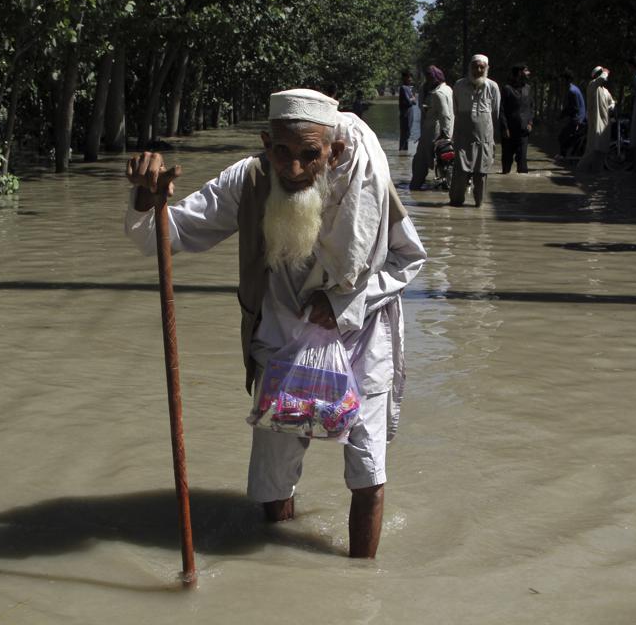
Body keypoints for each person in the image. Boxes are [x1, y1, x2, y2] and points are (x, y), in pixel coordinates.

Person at [124, 88, 427, 558]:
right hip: (280, 344)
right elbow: (167, 235)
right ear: (267, 143)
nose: (294, 168)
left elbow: (409, 259)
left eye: (310, 155)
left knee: (367, 474)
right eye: (281, 151)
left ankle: (363, 583)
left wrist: (346, 299)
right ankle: (273, 559)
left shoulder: (367, 183)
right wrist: (148, 201)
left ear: (335, 151)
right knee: (272, 478)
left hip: (360, 343)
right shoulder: (247, 181)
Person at [451, 54, 500, 206]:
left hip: (484, 138)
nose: (478, 70)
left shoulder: (492, 87)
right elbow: (455, 110)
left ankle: (479, 205)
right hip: (463, 137)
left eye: (481, 67)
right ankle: (456, 203)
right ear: (470, 68)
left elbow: (495, 113)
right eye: (475, 66)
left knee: (481, 173)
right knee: (460, 172)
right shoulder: (459, 85)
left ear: (486, 69)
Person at [410, 65, 454, 190]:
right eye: (427, 76)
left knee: (420, 161)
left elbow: (445, 115)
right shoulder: (447, 89)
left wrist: (445, 134)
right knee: (444, 163)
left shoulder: (438, 93)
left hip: (434, 133)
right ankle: (449, 188)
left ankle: (414, 187)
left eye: (431, 76)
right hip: (442, 132)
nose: (429, 79)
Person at [578, 66, 615, 173]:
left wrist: (611, 107)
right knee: (592, 150)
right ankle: (579, 171)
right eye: (602, 73)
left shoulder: (605, 91)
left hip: (605, 125)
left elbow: (612, 101)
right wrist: (605, 72)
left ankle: (596, 173)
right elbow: (600, 79)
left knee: (602, 150)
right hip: (596, 123)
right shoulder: (592, 86)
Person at [499, 63, 533, 173]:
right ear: (519, 72)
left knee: (523, 166)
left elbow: (531, 107)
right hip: (509, 132)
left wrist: (530, 123)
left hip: (523, 132)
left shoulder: (528, 88)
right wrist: (505, 128)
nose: (529, 73)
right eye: (526, 71)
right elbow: (502, 110)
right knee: (506, 166)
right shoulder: (507, 89)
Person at [557, 67, 586, 159]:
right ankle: (565, 154)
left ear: (567, 80)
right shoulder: (574, 89)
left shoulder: (572, 91)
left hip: (577, 119)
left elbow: (574, 108)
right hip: (577, 118)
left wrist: (562, 116)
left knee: (562, 136)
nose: (561, 82)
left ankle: (563, 155)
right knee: (565, 136)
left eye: (562, 80)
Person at [398, 71, 417, 151]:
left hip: (409, 113)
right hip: (405, 114)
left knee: (407, 134)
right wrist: (412, 98)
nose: (410, 79)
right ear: (404, 78)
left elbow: (415, 102)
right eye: (409, 77)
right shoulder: (403, 88)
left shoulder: (409, 88)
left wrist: (412, 99)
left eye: (410, 77)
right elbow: (409, 101)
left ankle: (404, 153)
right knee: (405, 134)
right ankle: (402, 151)